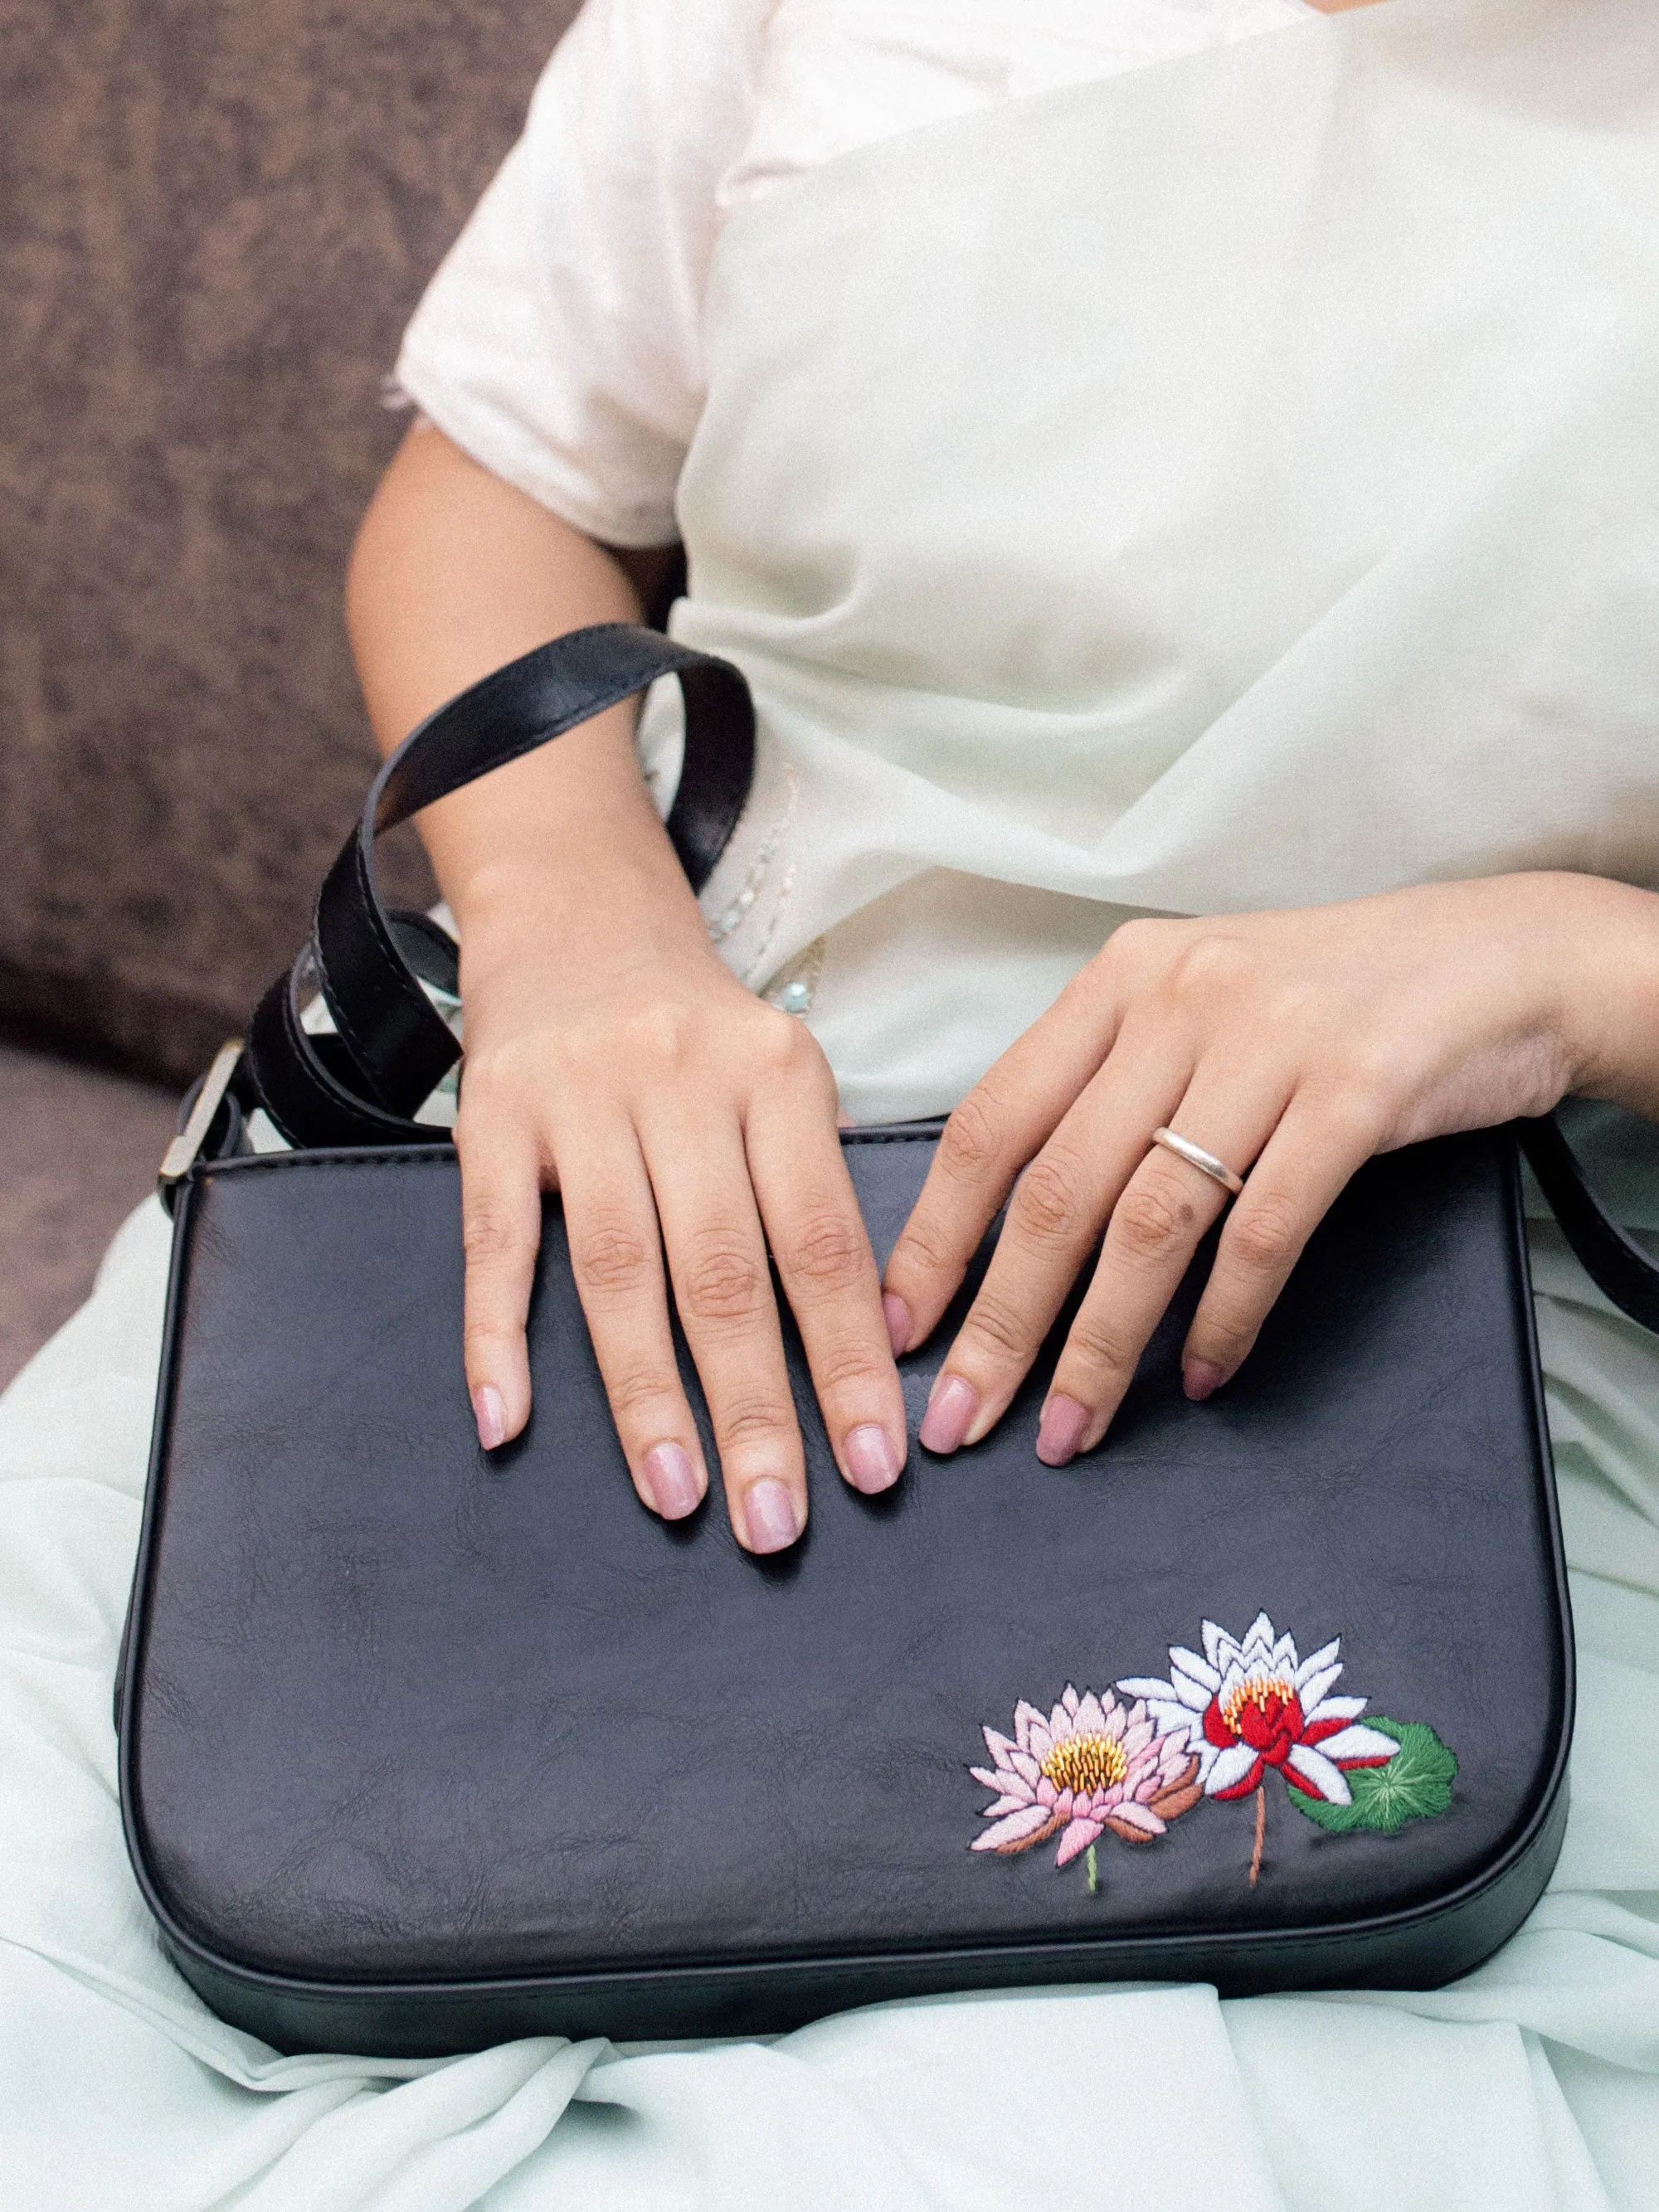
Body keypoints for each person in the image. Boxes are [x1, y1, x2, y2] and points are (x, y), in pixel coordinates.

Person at [6, 1, 1659, 2203]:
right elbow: (496, 490)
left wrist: (1566, 960)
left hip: (1424, 1330)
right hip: (591, 1164)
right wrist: (577, 918)